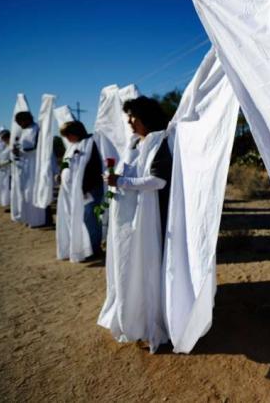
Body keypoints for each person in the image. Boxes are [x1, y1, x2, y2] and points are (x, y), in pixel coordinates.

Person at [97, 96, 172, 352]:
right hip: (126, 223)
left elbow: (157, 181)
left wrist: (121, 183)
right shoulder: (134, 143)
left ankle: (150, 325)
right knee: (128, 269)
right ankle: (132, 318)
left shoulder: (159, 142)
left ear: (146, 117)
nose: (129, 121)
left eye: (133, 116)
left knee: (145, 269)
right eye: (127, 116)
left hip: (146, 222)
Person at [56, 121, 104, 262]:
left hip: (89, 191)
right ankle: (82, 248)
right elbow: (66, 162)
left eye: (68, 135)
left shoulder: (91, 143)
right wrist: (61, 172)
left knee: (90, 219)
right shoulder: (72, 146)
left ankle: (94, 249)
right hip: (72, 193)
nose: (67, 139)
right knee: (77, 219)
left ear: (75, 132)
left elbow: (95, 168)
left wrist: (85, 188)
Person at [11, 111, 46, 227]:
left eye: (19, 122)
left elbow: (39, 148)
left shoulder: (37, 129)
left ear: (25, 120)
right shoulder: (23, 131)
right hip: (24, 167)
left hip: (34, 166)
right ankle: (28, 218)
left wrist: (22, 150)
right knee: (24, 193)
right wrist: (16, 151)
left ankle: (38, 220)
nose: (19, 125)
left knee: (32, 192)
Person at [0, 130, 12, 207]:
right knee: (3, 187)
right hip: (1, 171)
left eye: (5, 137)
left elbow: (12, 159)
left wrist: (2, 164)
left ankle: (11, 204)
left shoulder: (12, 146)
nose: (3, 139)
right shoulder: (1, 146)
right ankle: (6, 203)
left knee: (9, 188)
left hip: (10, 170)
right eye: (2, 138)